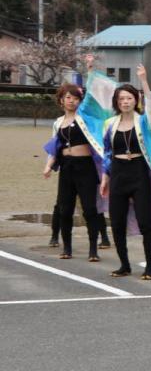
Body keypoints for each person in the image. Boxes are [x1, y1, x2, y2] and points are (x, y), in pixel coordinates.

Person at [99, 64, 151, 280]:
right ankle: (124, 264)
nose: (125, 102)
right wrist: (105, 177)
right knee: (117, 221)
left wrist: (144, 81)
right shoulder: (109, 123)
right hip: (118, 173)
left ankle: (150, 266)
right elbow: (107, 152)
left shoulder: (144, 121)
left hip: (140, 172)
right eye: (121, 99)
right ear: (116, 102)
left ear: (136, 100)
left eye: (129, 98)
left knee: (145, 221)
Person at [42, 74, 107, 262]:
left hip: (85, 166)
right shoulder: (58, 122)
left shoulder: (85, 118)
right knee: (65, 209)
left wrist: (90, 69)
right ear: (61, 100)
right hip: (66, 167)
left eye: (75, 98)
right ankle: (67, 248)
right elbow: (55, 148)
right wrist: (48, 166)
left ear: (80, 101)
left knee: (89, 209)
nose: (71, 101)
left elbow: (93, 100)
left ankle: (93, 249)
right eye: (68, 98)